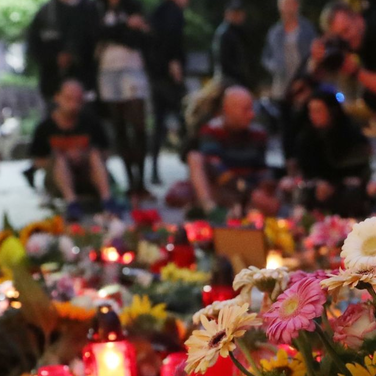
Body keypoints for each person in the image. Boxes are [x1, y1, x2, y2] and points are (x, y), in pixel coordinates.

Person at [30, 80, 120, 220]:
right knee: (59, 157)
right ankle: (72, 204)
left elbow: (106, 154)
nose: (73, 105)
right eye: (68, 98)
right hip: (57, 181)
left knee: (94, 153)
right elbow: (37, 161)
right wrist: (65, 158)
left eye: (78, 100)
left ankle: (107, 200)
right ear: (57, 97)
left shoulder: (91, 123)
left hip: (88, 176)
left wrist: (82, 156)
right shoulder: (45, 127)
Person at [187, 86, 279, 216]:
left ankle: (244, 212)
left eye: (251, 109)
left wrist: (266, 190)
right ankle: (212, 211)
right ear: (228, 110)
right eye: (245, 110)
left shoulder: (259, 134)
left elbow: (261, 168)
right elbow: (216, 170)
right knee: (194, 157)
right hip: (224, 189)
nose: (251, 114)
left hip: (248, 191)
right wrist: (249, 192)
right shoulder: (211, 131)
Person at [96, 0, 151, 204]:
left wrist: (115, 32)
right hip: (107, 72)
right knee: (119, 127)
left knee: (138, 127)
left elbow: (139, 39)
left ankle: (141, 181)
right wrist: (124, 27)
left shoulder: (135, 8)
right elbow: (97, 33)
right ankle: (130, 183)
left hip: (133, 70)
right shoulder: (98, 9)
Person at [294, 89, 372, 217]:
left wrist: (335, 184)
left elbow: (358, 167)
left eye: (318, 110)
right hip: (317, 188)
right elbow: (306, 170)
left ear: (331, 111)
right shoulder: (306, 137)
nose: (313, 115)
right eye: (311, 111)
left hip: (345, 188)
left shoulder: (350, 134)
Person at [314, 2, 376, 118]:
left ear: (357, 18)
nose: (346, 38)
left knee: (372, 98)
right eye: (340, 37)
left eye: (346, 30)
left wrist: (356, 71)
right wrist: (320, 53)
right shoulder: (357, 37)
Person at [146, 0, 188, 185]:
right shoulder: (173, 12)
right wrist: (174, 62)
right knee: (186, 121)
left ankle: (154, 170)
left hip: (156, 75)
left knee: (159, 124)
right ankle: (194, 169)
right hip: (168, 77)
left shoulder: (158, 12)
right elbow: (172, 39)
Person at [27, 0, 100, 101]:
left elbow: (96, 42)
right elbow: (34, 46)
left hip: (85, 84)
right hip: (52, 85)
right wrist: (54, 58)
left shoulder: (91, 9)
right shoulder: (46, 12)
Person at [263, 0, 317, 99]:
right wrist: (275, 67)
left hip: (304, 81)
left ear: (297, 6)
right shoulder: (275, 32)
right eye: (284, 5)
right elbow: (266, 56)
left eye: (290, 4)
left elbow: (315, 52)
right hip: (281, 83)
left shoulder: (307, 29)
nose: (287, 8)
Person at [214, 1, 254, 90]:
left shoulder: (239, 32)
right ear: (227, 14)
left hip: (237, 79)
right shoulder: (224, 33)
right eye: (235, 13)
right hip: (228, 80)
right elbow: (223, 61)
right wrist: (240, 75)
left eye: (240, 13)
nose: (238, 16)